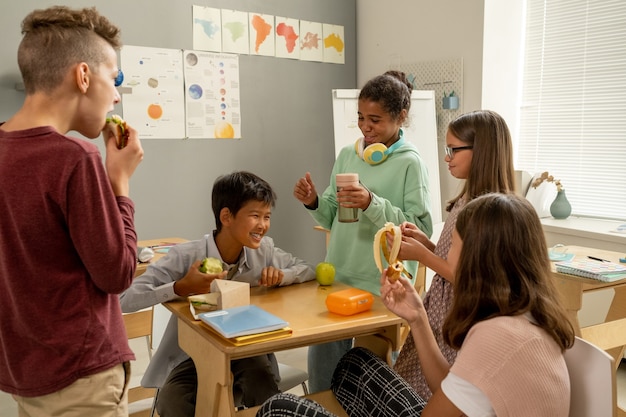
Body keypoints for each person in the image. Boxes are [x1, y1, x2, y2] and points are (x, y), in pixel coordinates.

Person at [256, 193, 576, 417]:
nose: (447, 256)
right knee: (355, 364)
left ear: (480, 262)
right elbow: (453, 389)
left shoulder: (497, 336)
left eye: (454, 248)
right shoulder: (528, 314)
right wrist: (418, 318)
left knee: (278, 409)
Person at [0, 6, 144, 417]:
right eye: (113, 78)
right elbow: (117, 273)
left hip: (26, 371)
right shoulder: (76, 157)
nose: (116, 95)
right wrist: (120, 185)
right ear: (83, 76)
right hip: (83, 374)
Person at [120, 171, 316, 417]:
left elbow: (308, 268)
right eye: (255, 216)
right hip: (194, 353)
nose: (263, 225)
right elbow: (124, 299)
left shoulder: (263, 250)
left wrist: (281, 275)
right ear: (226, 216)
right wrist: (180, 287)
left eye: (267, 217)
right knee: (173, 402)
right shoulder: (186, 256)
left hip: (247, 350)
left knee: (262, 385)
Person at [293, 70, 433, 392]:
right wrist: (313, 200)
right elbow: (331, 217)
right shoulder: (347, 156)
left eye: (375, 120)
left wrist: (371, 202)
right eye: (360, 118)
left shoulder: (411, 164)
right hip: (339, 279)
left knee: (368, 389)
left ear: (400, 117)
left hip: (383, 287)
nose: (365, 128)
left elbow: (420, 230)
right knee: (322, 385)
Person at [393, 109, 516, 400]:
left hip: (458, 313)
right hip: (442, 308)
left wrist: (421, 256)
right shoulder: (465, 199)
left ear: (481, 151)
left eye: (453, 150)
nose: (447, 158)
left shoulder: (485, 212)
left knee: (432, 389)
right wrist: (426, 244)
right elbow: (456, 260)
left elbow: (465, 275)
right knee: (412, 378)